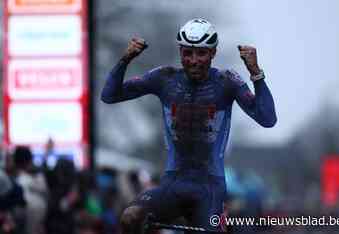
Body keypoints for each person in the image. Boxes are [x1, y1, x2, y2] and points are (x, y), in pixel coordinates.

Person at [101, 18, 277, 234]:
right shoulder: (165, 78)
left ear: (213, 52)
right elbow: (109, 95)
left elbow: (268, 119)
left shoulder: (227, 82)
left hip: (209, 189)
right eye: (187, 53)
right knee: (130, 218)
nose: (194, 60)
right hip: (172, 184)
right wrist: (125, 59)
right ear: (180, 52)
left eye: (201, 53)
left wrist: (256, 72)